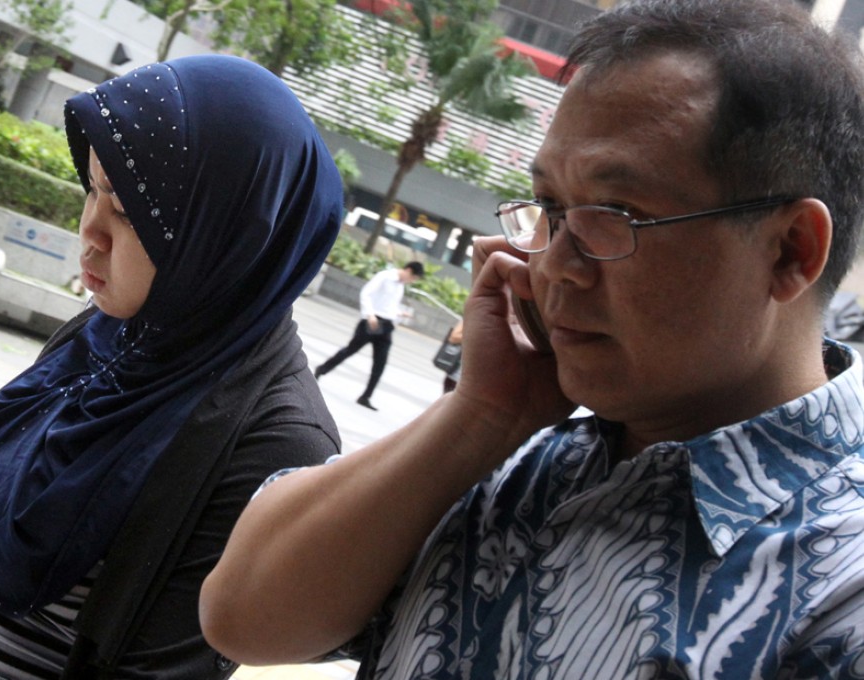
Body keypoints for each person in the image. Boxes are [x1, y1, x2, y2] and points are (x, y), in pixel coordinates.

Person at [199, 1, 864, 677]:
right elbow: (242, 618)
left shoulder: (841, 584)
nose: (552, 266)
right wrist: (480, 417)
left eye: (619, 215)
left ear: (790, 251)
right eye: (548, 207)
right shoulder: (513, 460)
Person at [0, 54, 343, 678]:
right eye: (93, 189)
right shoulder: (106, 334)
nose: (90, 232)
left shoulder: (275, 442)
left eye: (129, 212)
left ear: (232, 233)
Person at [314, 261, 424, 410]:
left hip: (386, 326)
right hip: (371, 322)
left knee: (380, 362)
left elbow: (387, 305)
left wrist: (398, 313)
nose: (412, 281)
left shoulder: (400, 286)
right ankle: (322, 369)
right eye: (414, 278)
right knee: (350, 350)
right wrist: (369, 315)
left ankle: (366, 396)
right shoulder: (385, 276)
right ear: (408, 270)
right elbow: (366, 293)